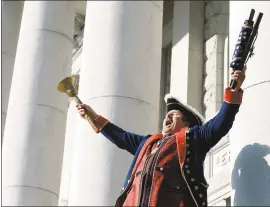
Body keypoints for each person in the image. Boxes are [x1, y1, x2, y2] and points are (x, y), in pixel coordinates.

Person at [76, 66, 246, 207]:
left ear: (187, 124)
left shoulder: (194, 138)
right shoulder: (148, 143)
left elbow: (220, 124)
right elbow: (121, 137)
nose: (167, 117)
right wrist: (93, 117)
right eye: (167, 115)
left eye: (174, 114)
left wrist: (233, 90)